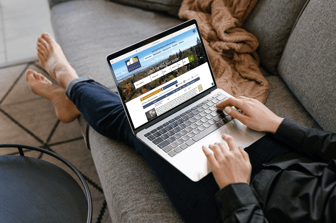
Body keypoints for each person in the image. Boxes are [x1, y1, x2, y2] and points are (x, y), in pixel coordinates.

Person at [26, 33, 336, 223]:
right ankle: (72, 96)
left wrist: (236, 189)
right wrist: (277, 123)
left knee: (140, 128)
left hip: (243, 209)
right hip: (291, 162)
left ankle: (68, 82)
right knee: (188, 109)